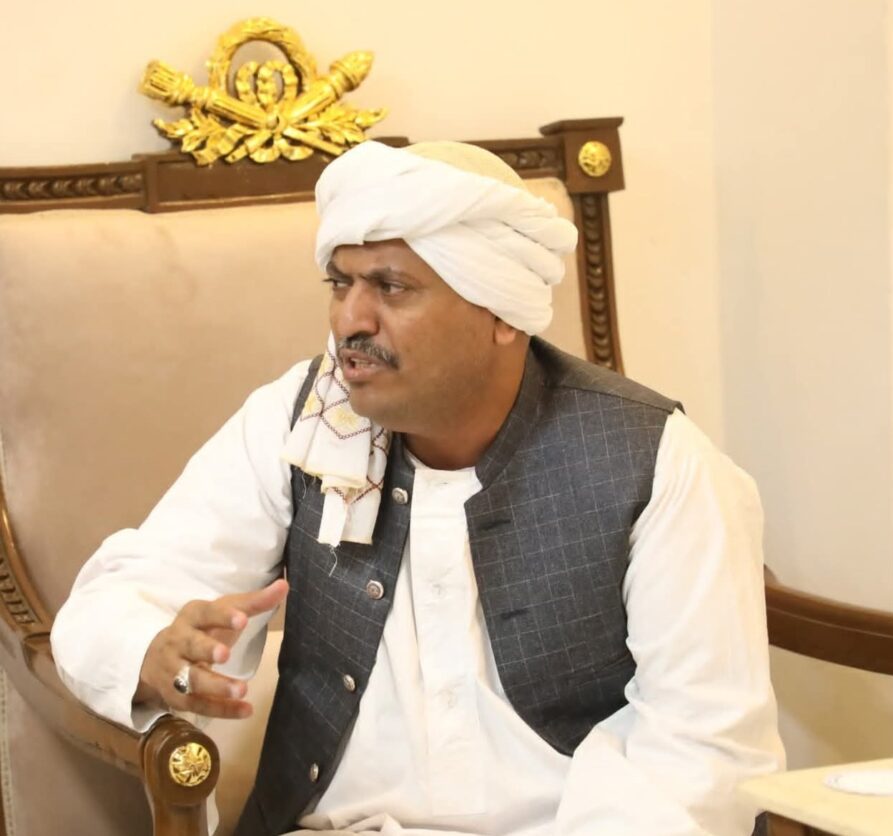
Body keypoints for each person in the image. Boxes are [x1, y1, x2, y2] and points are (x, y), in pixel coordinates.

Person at [51, 140, 784, 836]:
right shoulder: (300, 422)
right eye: (340, 283)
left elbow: (703, 748)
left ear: (499, 313)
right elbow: (118, 598)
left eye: (391, 287)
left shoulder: (655, 461)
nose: (350, 320)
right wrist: (152, 650)